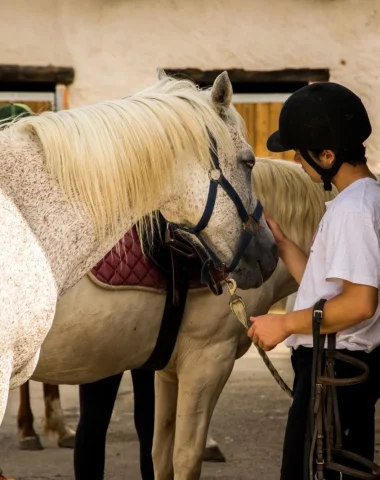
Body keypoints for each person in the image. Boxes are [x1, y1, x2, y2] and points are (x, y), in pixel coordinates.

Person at [247, 82, 380, 479]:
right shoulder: (365, 200)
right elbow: (330, 289)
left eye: (301, 155)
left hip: (334, 373)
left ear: (327, 155)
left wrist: (283, 323)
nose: (298, 164)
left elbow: (359, 304)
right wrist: (285, 244)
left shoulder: (351, 212)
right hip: (345, 371)